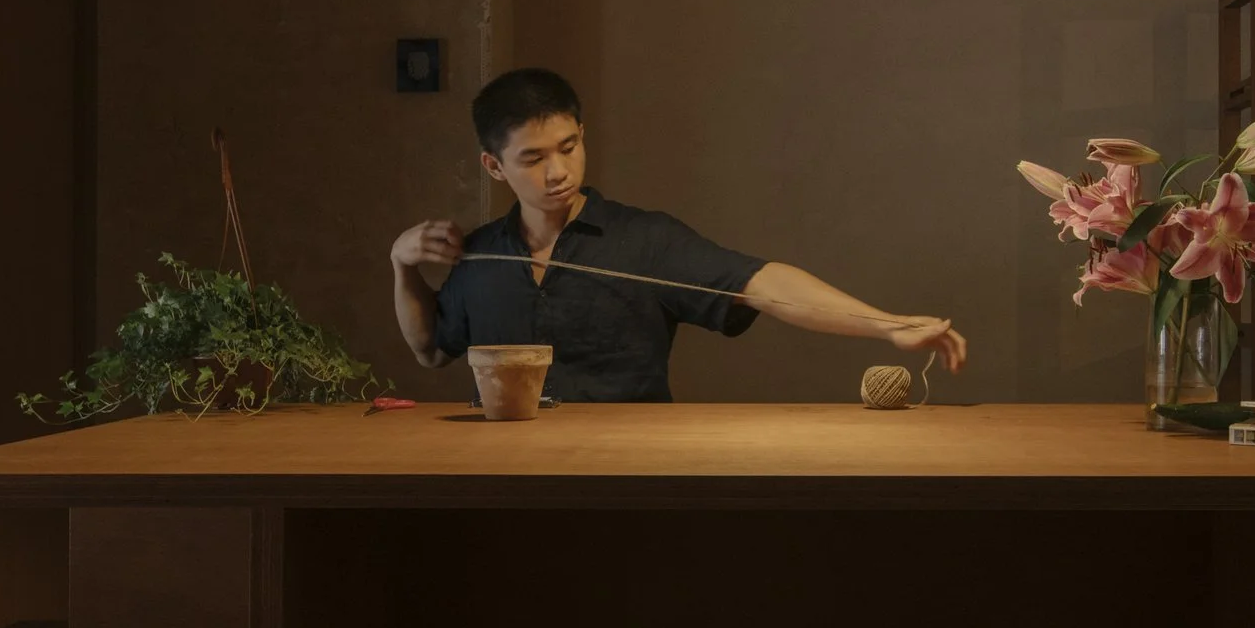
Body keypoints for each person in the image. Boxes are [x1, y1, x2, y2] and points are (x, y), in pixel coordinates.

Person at [392, 68, 966, 402]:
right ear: (495, 167)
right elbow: (431, 352)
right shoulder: (480, 253)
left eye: (569, 147)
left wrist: (886, 326)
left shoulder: (645, 239)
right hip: (503, 484)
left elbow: (763, 283)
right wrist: (402, 266)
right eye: (533, 158)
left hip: (630, 476)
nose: (559, 171)